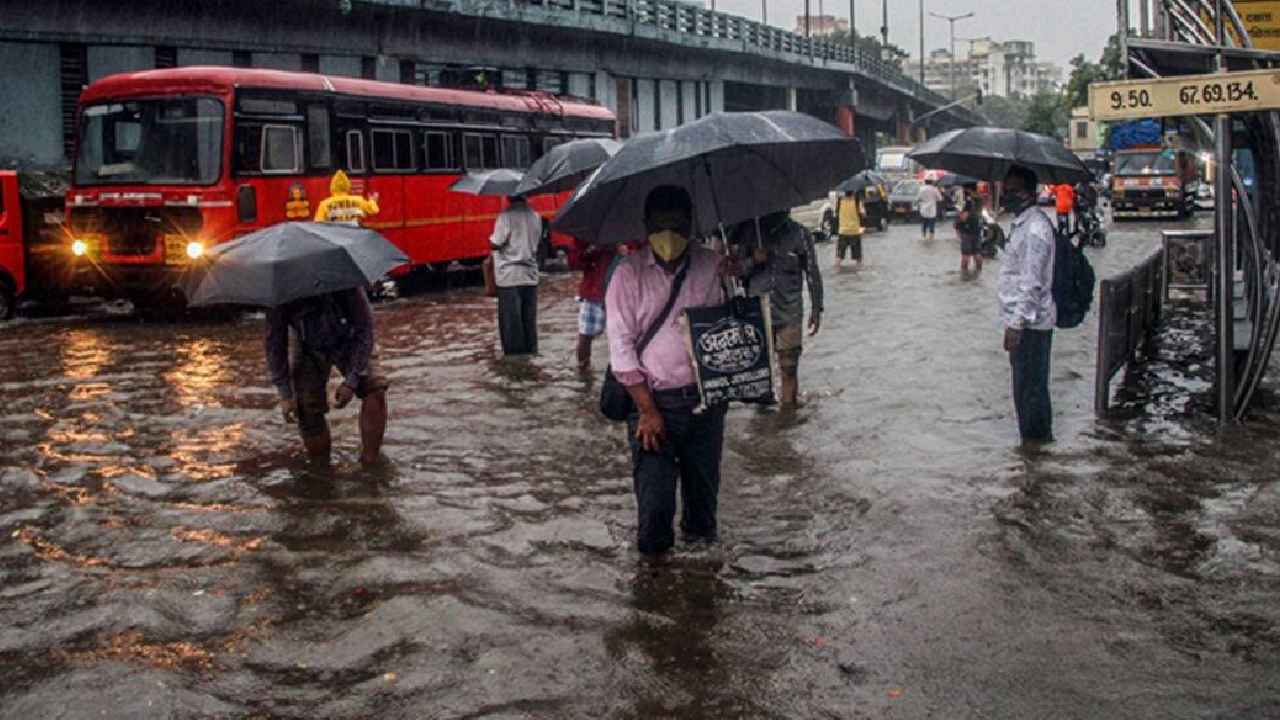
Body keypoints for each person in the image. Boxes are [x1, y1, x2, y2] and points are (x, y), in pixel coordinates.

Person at [606, 185, 729, 556]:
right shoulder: (627, 275)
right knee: (655, 517)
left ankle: (699, 596)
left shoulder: (712, 266)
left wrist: (739, 280)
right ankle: (653, 592)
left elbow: (730, 330)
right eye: (661, 226)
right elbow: (620, 349)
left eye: (677, 226)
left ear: (691, 224)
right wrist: (647, 410)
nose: (669, 236)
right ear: (645, 227)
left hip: (706, 407)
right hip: (653, 408)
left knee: (703, 520)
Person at [265, 289, 389, 465]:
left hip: (350, 337)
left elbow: (365, 329)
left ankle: (371, 461)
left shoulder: (344, 279)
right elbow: (275, 345)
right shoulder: (280, 291)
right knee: (306, 409)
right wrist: (285, 394)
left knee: (375, 387)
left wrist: (351, 382)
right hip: (307, 345)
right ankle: (321, 469)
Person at [733, 212, 823, 406]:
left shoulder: (800, 234)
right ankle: (765, 418)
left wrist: (817, 308)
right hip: (757, 314)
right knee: (760, 373)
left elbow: (812, 272)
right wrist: (754, 261)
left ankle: (788, 416)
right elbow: (736, 272)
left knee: (789, 367)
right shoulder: (749, 233)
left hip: (789, 312)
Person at [998, 165, 1057, 444]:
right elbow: (1018, 270)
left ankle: (1037, 449)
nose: (1007, 196)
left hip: (1031, 326)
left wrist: (1016, 324)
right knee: (1024, 392)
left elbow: (1032, 282)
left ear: (1028, 193)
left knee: (1031, 392)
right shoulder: (1022, 225)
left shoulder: (1035, 229)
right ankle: (1034, 457)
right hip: (1022, 322)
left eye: (1013, 191)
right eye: (1005, 190)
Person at [490, 194, 542, 355]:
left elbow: (495, 243)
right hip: (530, 276)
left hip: (509, 277)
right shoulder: (536, 216)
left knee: (512, 325)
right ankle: (531, 354)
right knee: (529, 322)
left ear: (508, 197)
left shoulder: (505, 217)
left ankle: (515, 365)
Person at [571, 238, 615, 372]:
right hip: (593, 291)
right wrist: (593, 248)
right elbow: (574, 263)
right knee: (585, 335)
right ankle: (583, 370)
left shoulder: (630, 230)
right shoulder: (587, 233)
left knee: (623, 336)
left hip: (623, 291)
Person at [313, 170, 379, 226]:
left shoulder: (324, 204)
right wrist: (372, 201)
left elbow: (318, 224)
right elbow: (374, 210)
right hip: (355, 235)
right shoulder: (359, 200)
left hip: (336, 237)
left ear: (332, 187)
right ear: (347, 186)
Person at [955, 183, 984, 277]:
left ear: (967, 189)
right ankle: (979, 272)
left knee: (965, 255)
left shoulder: (968, 201)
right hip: (978, 229)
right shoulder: (980, 199)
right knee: (977, 253)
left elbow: (963, 217)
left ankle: (964, 274)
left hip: (967, 230)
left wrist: (958, 219)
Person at [835, 190, 864, 268]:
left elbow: (836, 213)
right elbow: (863, 214)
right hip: (855, 231)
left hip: (842, 232)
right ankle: (858, 272)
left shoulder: (839, 201)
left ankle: (837, 271)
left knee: (839, 256)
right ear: (853, 192)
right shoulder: (857, 201)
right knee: (858, 257)